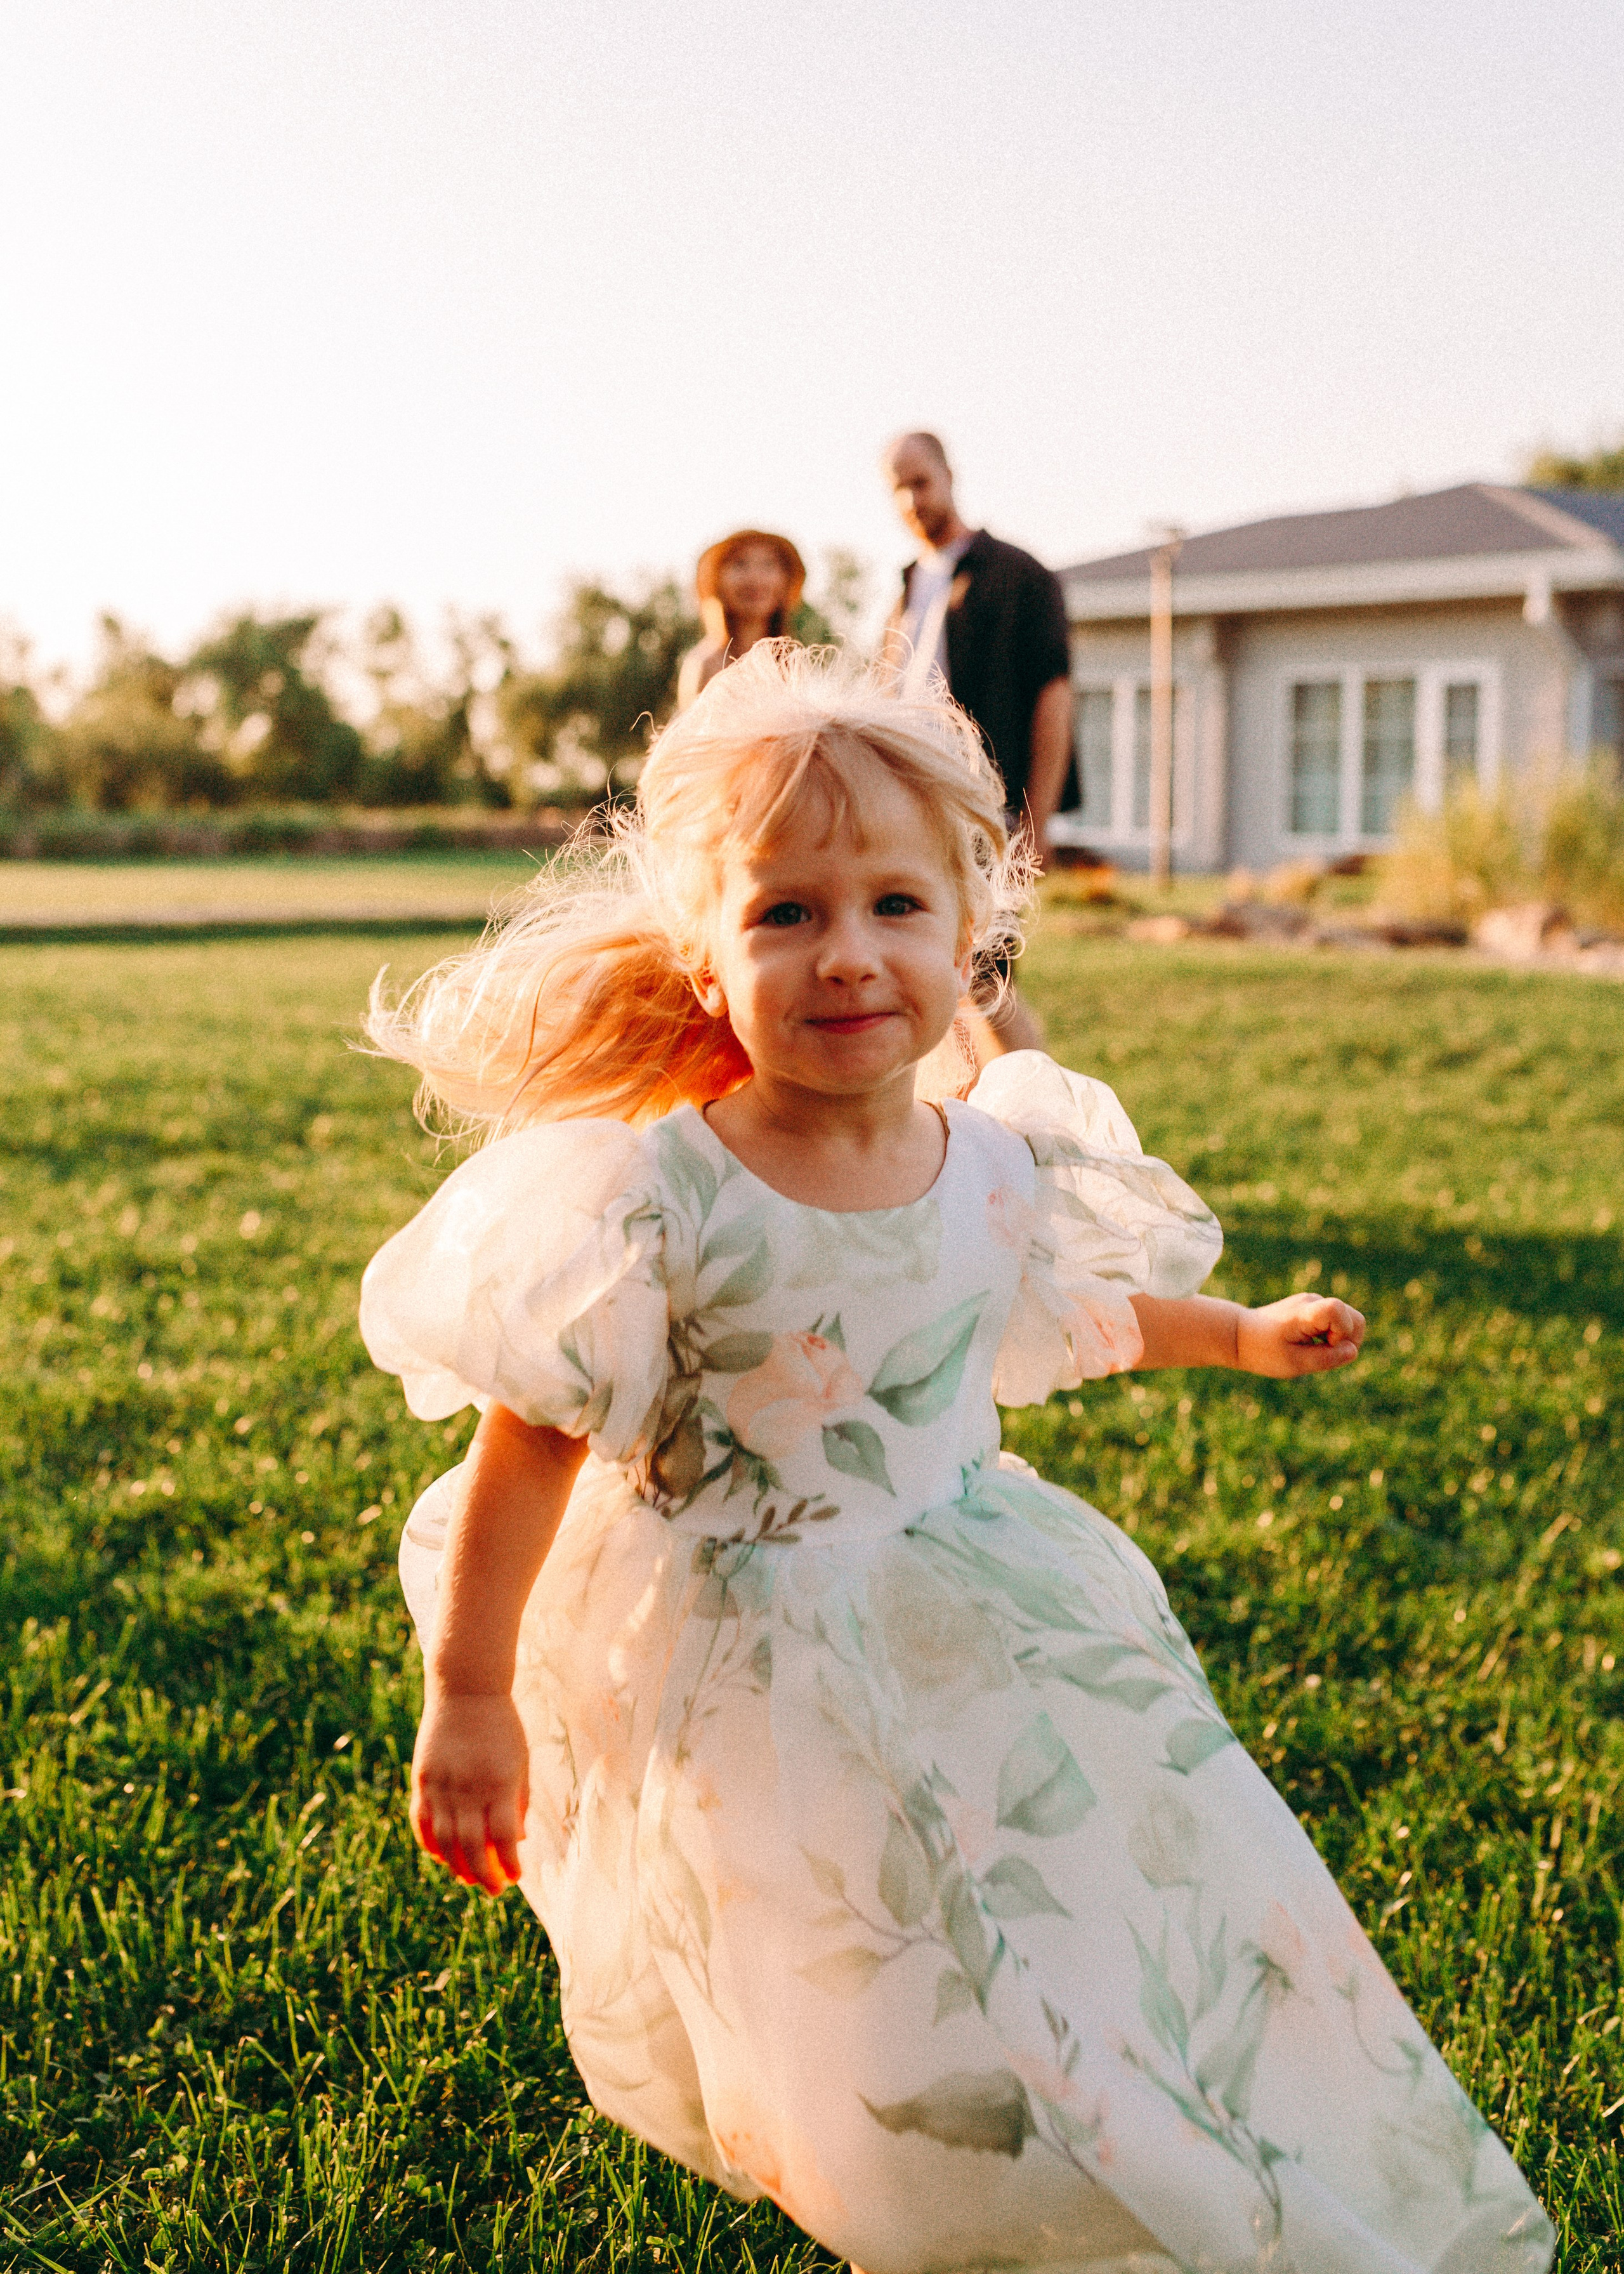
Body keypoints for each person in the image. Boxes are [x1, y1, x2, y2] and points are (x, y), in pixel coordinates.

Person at [357, 647, 1551, 2274]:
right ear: (706, 958)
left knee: (1082, 1890)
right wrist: (471, 1690)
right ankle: (919, 2192)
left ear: (967, 928)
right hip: (748, 1649)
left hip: (971, 1602)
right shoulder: (652, 1198)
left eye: (894, 905)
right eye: (786, 913)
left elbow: (1057, 1310)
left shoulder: (994, 1160)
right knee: (849, 1967)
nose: (847, 953)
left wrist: (1240, 1333)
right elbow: (533, 1441)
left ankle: (1144, 2147)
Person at [882, 430, 1075, 1061]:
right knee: (931, 974)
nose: (912, 499)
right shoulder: (909, 584)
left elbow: (1054, 697)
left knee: (987, 972)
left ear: (949, 475)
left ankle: (1041, 1104)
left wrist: (1036, 821)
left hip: (985, 810)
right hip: (909, 810)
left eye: (920, 481)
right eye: (898, 488)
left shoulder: (1019, 575)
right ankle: (971, 1102)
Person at [676, 527, 806, 709]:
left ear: (786, 580)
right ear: (717, 580)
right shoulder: (704, 664)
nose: (755, 578)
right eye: (740, 564)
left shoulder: (795, 664)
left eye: (768, 565)